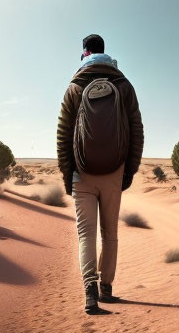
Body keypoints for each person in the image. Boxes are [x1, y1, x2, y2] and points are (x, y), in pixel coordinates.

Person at [57, 34, 144, 314]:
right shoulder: (124, 84)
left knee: (86, 236)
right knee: (110, 233)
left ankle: (90, 292)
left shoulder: (74, 85)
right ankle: (107, 288)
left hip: (81, 172)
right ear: (106, 53)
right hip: (115, 170)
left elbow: (63, 134)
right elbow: (137, 132)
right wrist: (128, 171)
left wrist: (67, 174)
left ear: (84, 53)